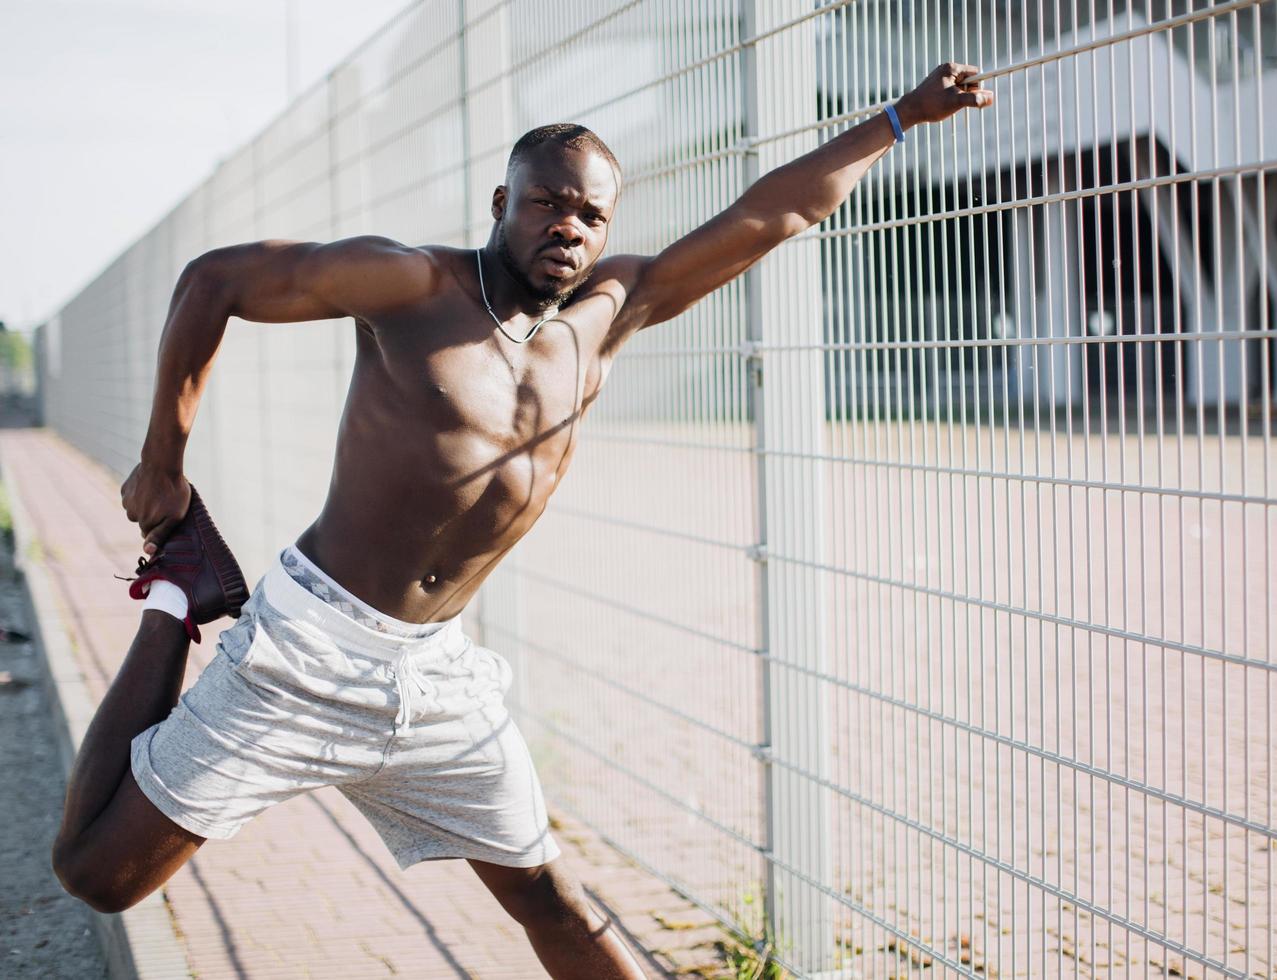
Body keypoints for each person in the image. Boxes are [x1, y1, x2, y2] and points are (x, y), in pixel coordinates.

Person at [50, 63, 994, 978]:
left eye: (591, 215)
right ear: (500, 204)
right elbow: (212, 281)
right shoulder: (409, 285)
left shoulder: (605, 316)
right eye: (549, 202)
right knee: (96, 877)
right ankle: (177, 602)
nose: (571, 228)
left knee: (550, 895)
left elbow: (770, 215)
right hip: (309, 648)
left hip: (438, 676)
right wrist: (163, 464)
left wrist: (901, 118)